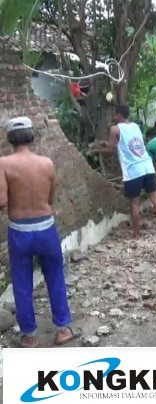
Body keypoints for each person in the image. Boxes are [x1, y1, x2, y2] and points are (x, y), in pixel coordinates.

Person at [0, 117, 77, 348]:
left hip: (20, 232)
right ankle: (63, 330)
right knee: (55, 277)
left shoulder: (3, 163)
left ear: (9, 139)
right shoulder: (47, 163)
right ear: (32, 137)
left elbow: (2, 201)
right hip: (46, 229)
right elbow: (50, 199)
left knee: (22, 283)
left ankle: (30, 336)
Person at [90, 105, 156, 239]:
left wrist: (96, 151)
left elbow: (110, 150)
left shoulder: (115, 129)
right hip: (147, 166)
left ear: (119, 115)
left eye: (115, 115)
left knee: (135, 202)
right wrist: (107, 144)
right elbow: (124, 143)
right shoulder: (135, 126)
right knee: (155, 198)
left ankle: (137, 234)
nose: (114, 118)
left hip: (133, 170)